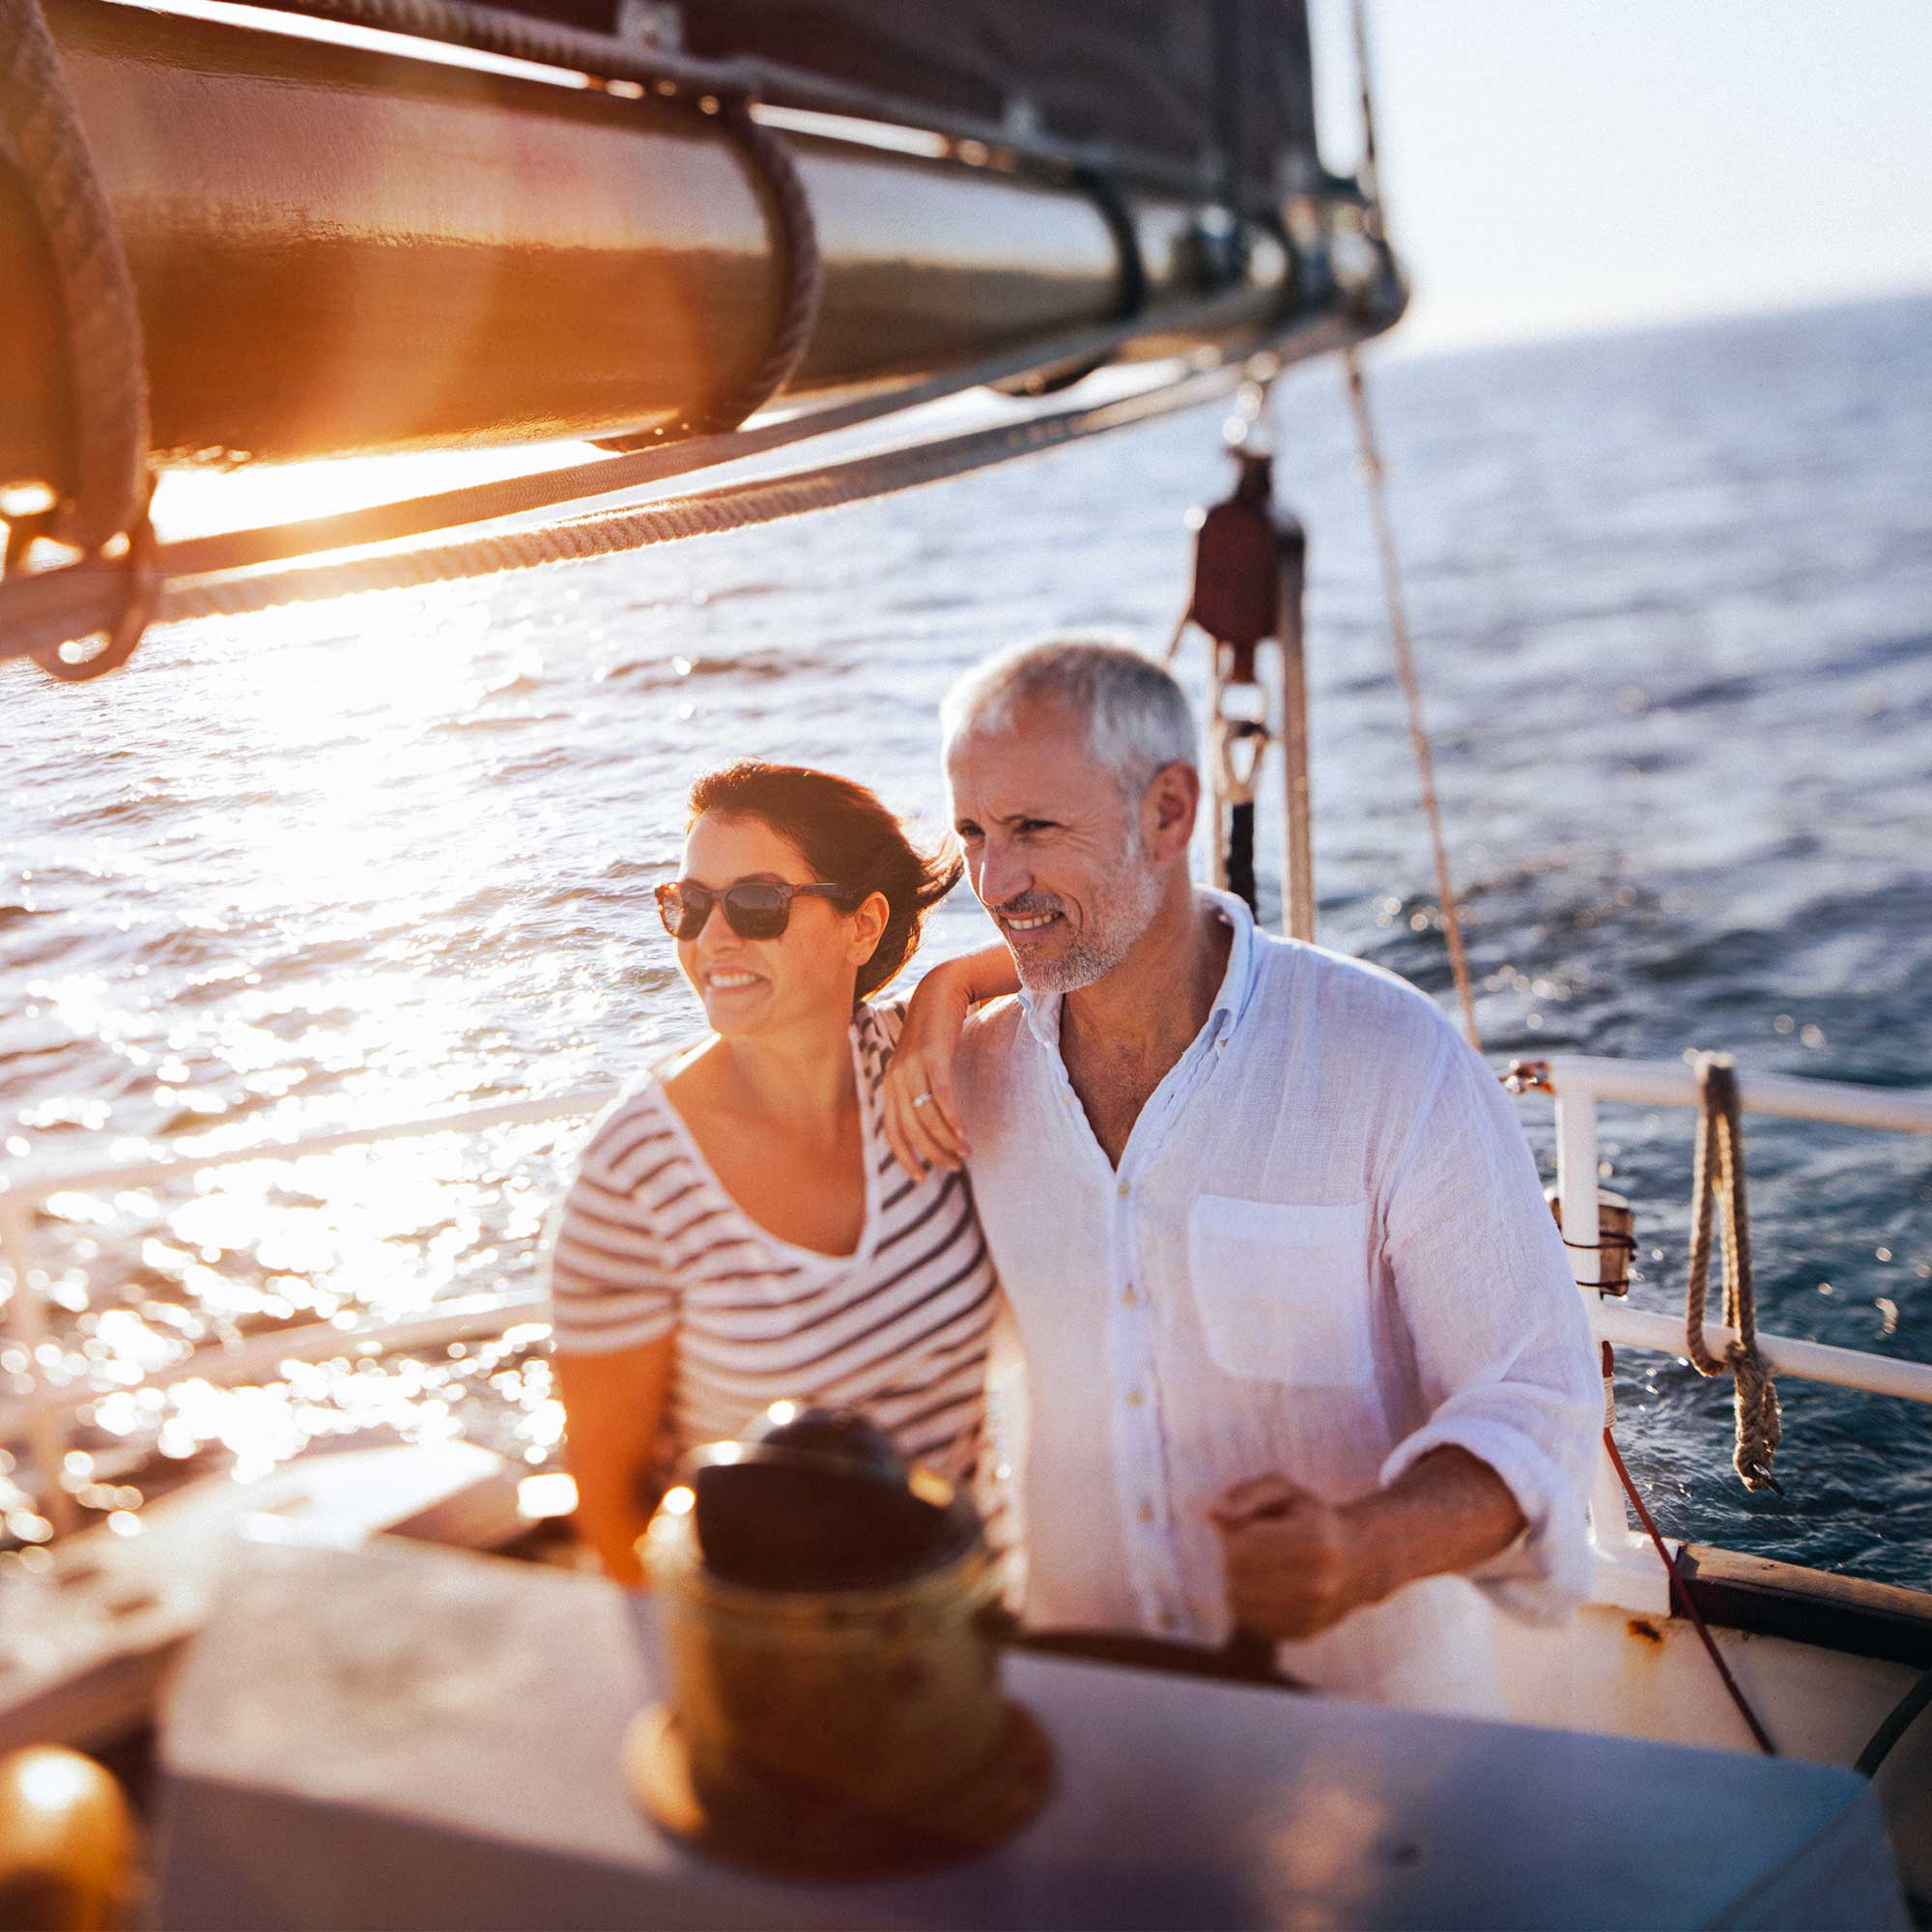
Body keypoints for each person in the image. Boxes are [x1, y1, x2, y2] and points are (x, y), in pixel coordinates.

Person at [881, 640, 1602, 1713]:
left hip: (1372, 1726)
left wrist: (1366, 1544)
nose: (993, 883)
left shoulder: (1387, 1054)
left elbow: (1535, 1395)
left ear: (1168, 812)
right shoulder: (965, 1073)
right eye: (974, 834)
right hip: (1087, 1703)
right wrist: (941, 987)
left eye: (1034, 828)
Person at [546, 760, 1011, 1583]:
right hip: (773, 1642)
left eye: (756, 904)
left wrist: (951, 986)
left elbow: (1113, 947)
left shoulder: (931, 1068)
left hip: (966, 1611)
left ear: (863, 926)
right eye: (687, 906)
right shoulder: (635, 1176)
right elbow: (608, 1498)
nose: (711, 938)